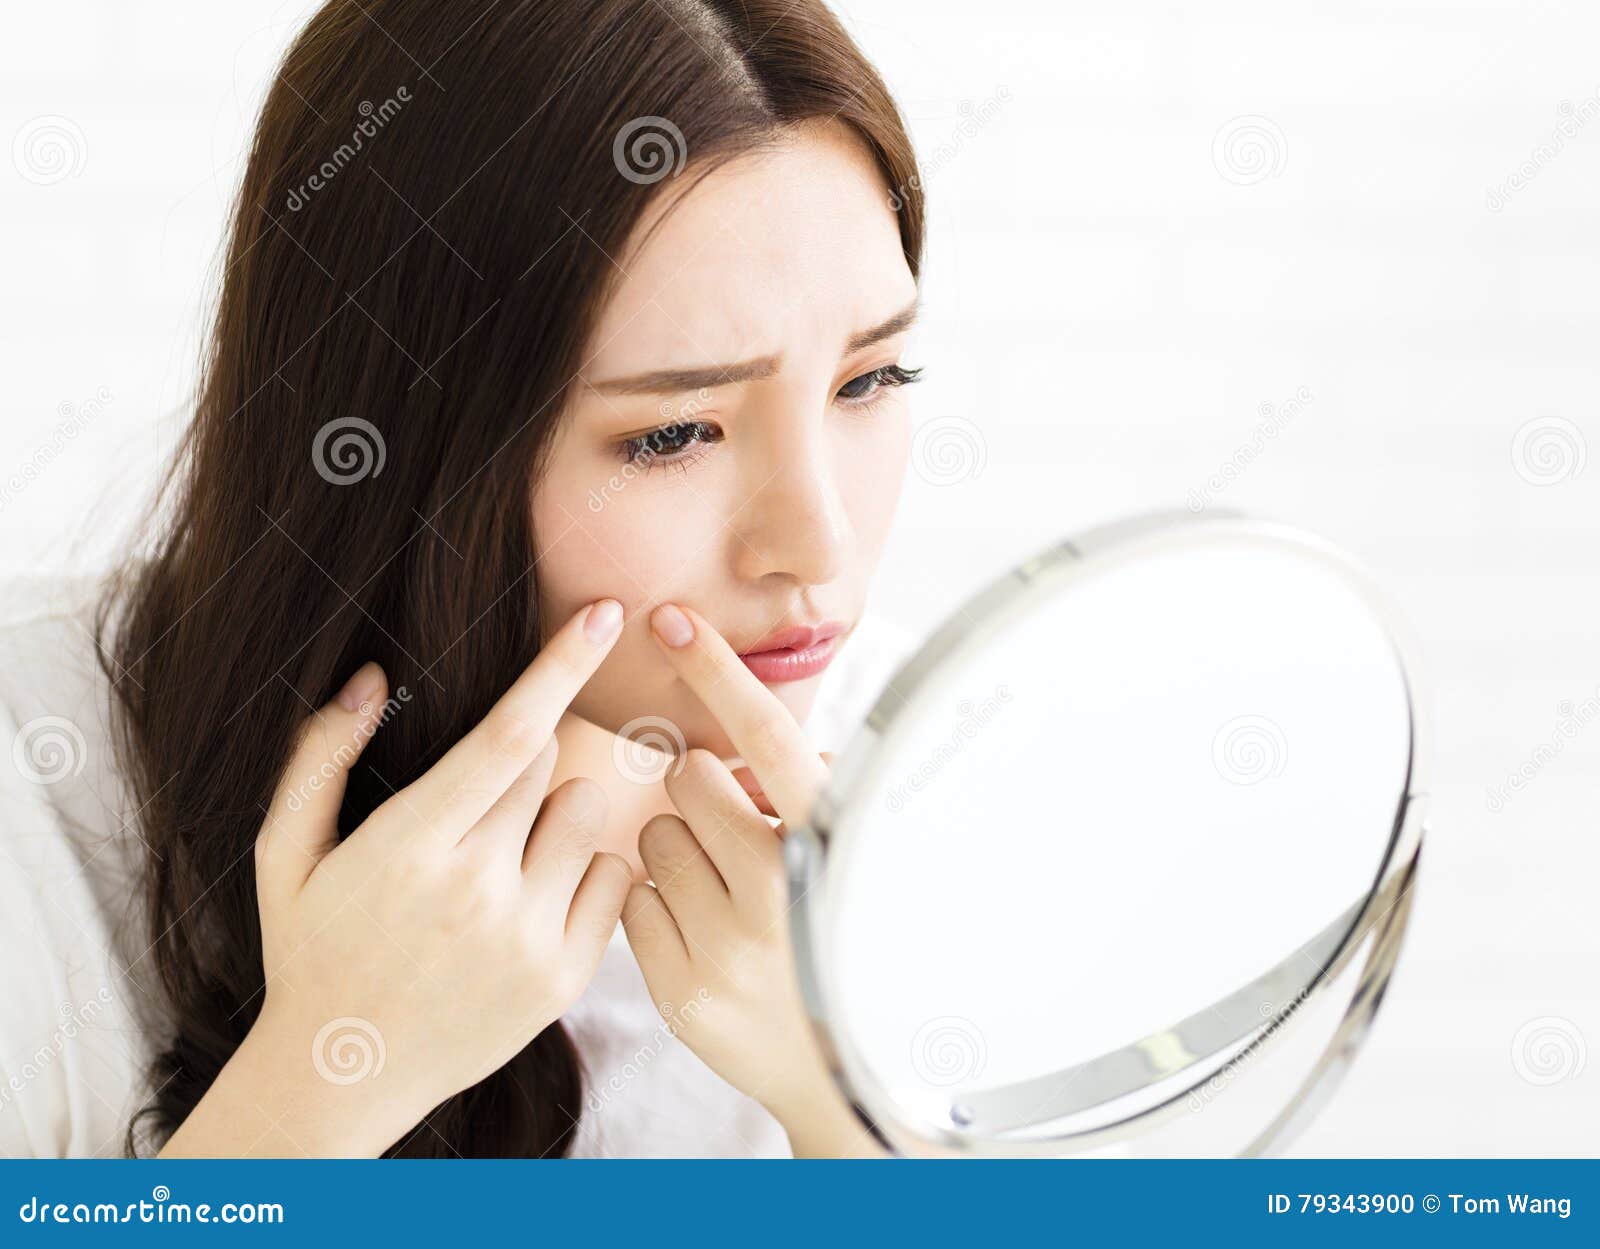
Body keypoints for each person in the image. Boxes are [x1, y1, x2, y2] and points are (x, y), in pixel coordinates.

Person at [0, 0, 926, 1158]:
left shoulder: (918, 770)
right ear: (407, 447)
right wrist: (320, 1082)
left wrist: (842, 1108)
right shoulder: (35, 802)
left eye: (872, 380)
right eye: (674, 433)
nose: (821, 549)